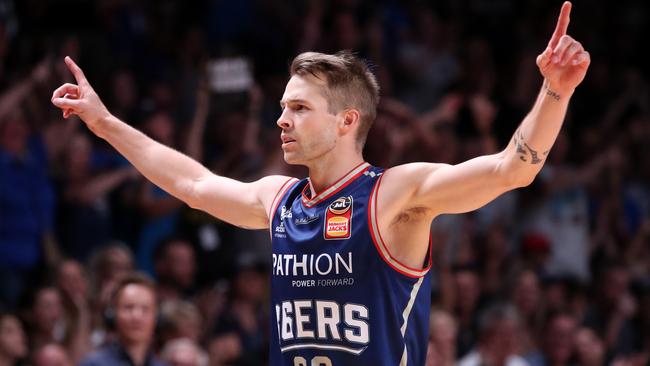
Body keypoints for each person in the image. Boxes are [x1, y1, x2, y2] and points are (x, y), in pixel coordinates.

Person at [51, 2, 590, 364]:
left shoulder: (393, 195)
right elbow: (192, 183)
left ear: (346, 121)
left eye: (299, 108)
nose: (281, 120)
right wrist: (103, 123)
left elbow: (511, 169)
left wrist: (555, 94)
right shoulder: (279, 198)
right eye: (283, 107)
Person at [78, 272, 164, 366]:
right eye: (128, 307)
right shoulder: (93, 364)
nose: (137, 316)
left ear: (156, 317)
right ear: (112, 314)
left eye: (145, 309)